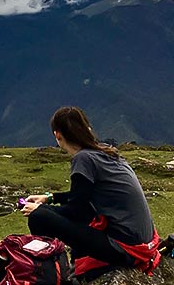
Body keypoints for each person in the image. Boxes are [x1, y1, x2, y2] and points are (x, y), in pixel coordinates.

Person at [21, 107, 160, 276]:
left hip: (126, 248)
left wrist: (41, 210)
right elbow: (83, 196)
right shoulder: (105, 151)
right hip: (144, 243)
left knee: (39, 217)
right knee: (56, 212)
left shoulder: (83, 159)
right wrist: (50, 198)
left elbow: (76, 212)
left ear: (58, 135)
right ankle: (63, 267)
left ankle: (48, 276)